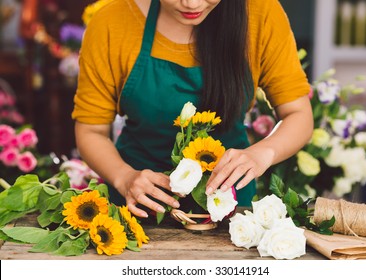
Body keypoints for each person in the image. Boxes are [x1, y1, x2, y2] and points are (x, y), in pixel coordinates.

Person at [72, 0, 313, 219]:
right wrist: (124, 178)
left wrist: (263, 153)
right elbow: (91, 131)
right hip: (138, 207)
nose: (191, 4)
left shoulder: (261, 13)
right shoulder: (111, 22)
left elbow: (298, 114)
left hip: (230, 209)